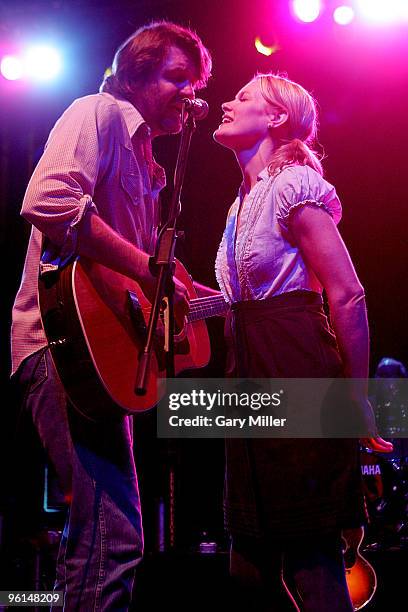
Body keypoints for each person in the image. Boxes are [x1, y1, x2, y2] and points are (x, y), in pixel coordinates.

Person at [10, 21, 211, 610]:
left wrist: (177, 292)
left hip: (102, 359)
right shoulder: (97, 111)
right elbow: (48, 202)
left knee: (106, 538)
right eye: (179, 78)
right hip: (61, 346)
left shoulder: (151, 168)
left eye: (196, 83)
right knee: (112, 539)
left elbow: (130, 281)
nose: (191, 94)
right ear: (137, 73)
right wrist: (152, 269)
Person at [213, 73, 393, 610]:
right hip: (246, 381)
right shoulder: (238, 205)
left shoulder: (293, 184)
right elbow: (238, 299)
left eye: (243, 97)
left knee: (312, 559)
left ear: (275, 118)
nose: (225, 102)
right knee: (248, 561)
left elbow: (348, 294)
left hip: (295, 368)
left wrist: (356, 397)